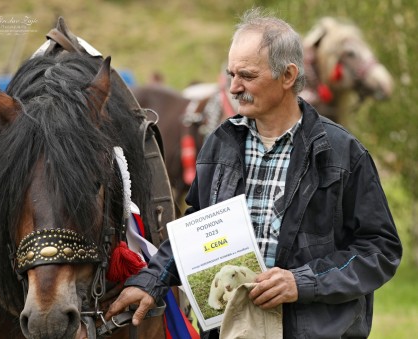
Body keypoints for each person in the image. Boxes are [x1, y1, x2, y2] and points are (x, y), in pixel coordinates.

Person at [106, 7, 402, 338]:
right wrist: (152, 280)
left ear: (288, 76)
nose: (233, 87)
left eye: (246, 76)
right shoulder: (220, 143)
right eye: (231, 74)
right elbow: (197, 230)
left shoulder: (342, 153)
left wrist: (300, 282)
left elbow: (379, 248)